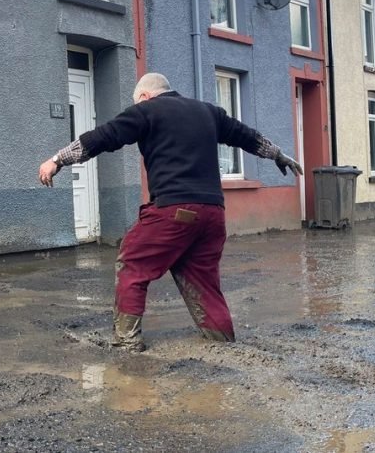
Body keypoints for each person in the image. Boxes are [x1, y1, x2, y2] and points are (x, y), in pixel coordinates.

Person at [39, 73, 302, 352]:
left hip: (175, 210)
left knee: (132, 265)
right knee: (203, 280)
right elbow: (248, 137)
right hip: (213, 215)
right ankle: (223, 344)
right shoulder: (209, 112)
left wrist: (58, 160)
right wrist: (278, 154)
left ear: (144, 96)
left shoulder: (147, 110)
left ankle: (126, 345)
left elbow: (104, 136)